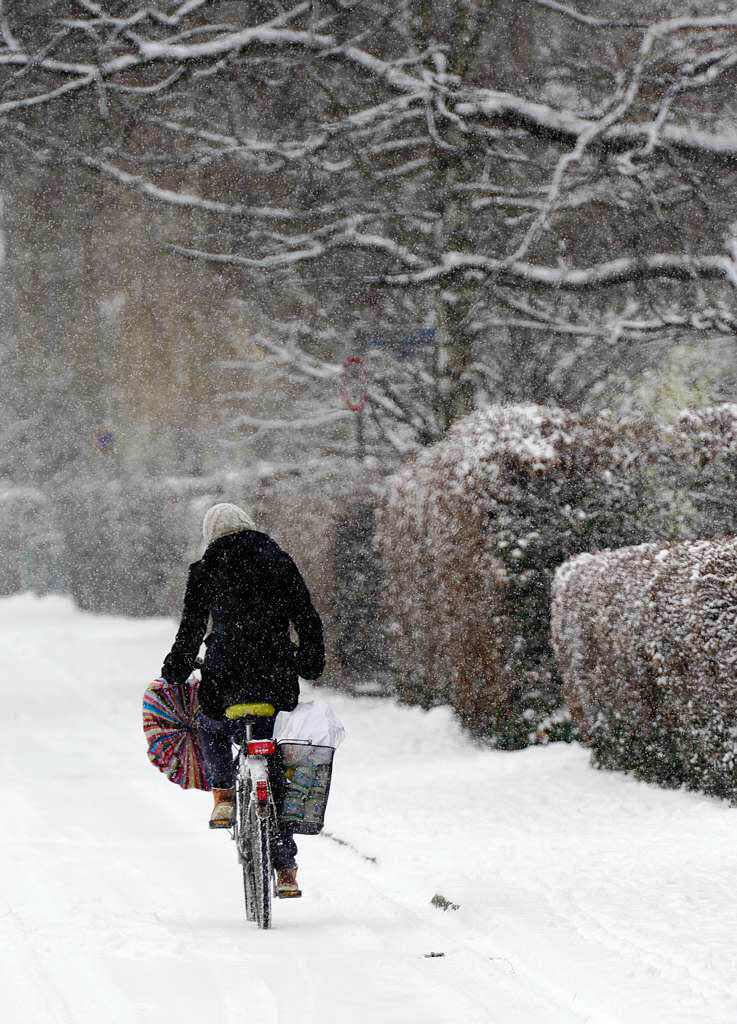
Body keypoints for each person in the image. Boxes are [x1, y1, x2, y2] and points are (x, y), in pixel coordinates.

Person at [160, 501, 325, 898]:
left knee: (210, 723)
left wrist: (176, 669)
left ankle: (223, 794)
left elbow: (192, 628)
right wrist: (309, 659)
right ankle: (286, 868)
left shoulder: (205, 570)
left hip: (227, 673)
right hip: (275, 675)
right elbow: (306, 615)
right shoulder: (278, 561)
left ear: (210, 535)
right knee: (276, 764)